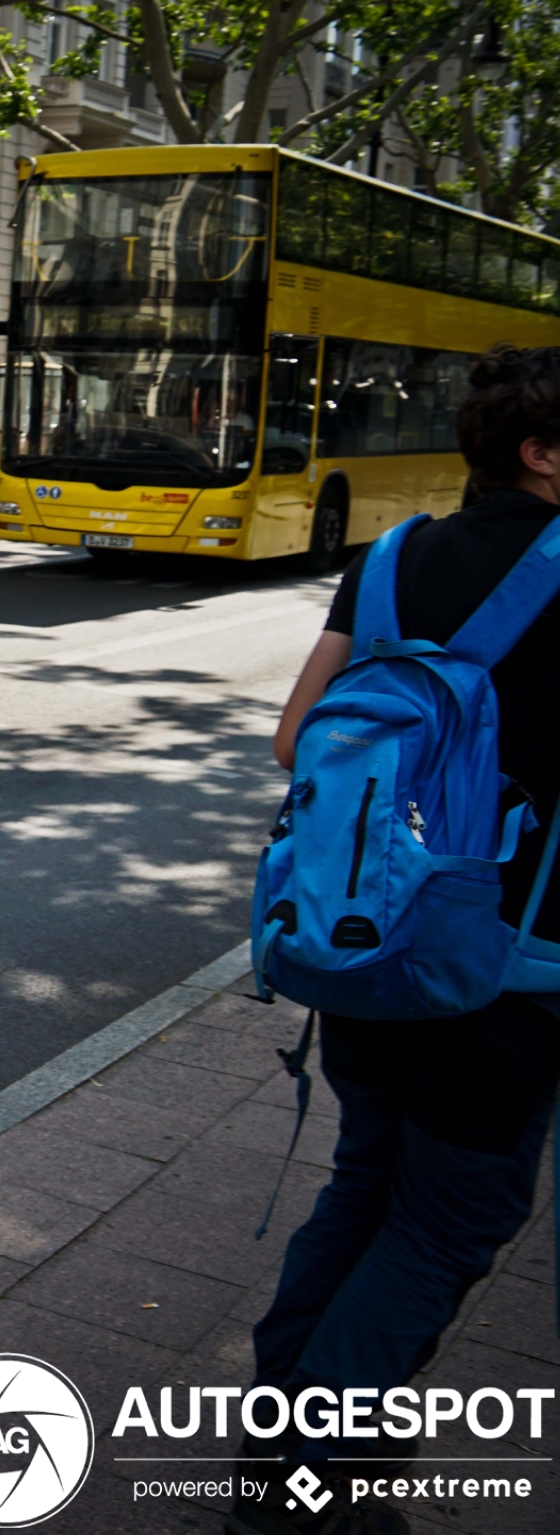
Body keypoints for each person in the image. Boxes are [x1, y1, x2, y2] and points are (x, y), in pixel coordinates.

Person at [236, 345, 560, 1535]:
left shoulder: (392, 558)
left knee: (366, 1183)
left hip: (361, 944)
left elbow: (292, 742)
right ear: (538, 452)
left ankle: (287, 1443)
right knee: (448, 1221)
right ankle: (293, 1492)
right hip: (506, 972)